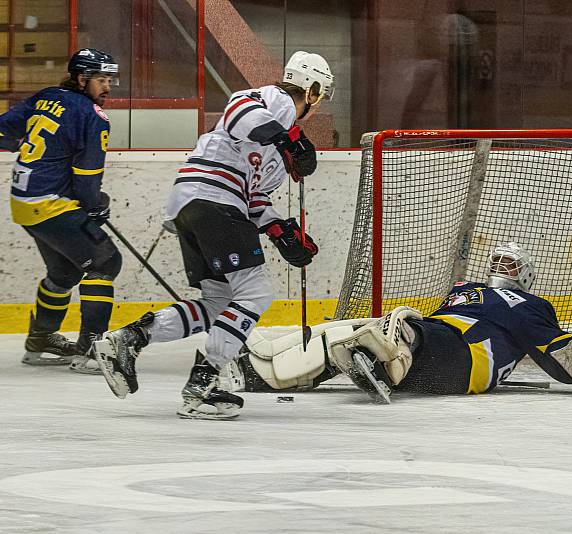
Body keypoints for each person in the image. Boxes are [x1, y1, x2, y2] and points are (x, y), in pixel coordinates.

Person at [92, 51, 333, 419]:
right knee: (255, 293)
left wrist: (279, 230)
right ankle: (204, 383)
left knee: (219, 302)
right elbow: (239, 108)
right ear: (313, 91)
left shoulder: (272, 150)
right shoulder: (279, 100)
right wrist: (286, 140)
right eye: (321, 97)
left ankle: (127, 340)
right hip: (214, 198)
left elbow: (253, 196)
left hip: (195, 203)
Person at [233, 242, 572, 402]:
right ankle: (262, 371)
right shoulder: (465, 288)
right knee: (343, 332)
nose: (502, 267)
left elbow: (560, 357)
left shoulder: (530, 304)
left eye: (512, 264)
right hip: (436, 364)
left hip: (464, 363)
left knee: (401, 324)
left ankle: (387, 361)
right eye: (499, 261)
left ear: (526, 275)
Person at [1, 48, 119, 374]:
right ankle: (91, 350)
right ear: (82, 79)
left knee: (66, 273)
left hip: (24, 202)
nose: (107, 87)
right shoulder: (92, 115)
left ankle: (39, 342)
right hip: (50, 203)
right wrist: (94, 205)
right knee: (106, 261)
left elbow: (4, 129)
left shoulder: (46, 97)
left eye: (109, 79)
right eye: (100, 79)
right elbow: (87, 175)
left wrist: (18, 145)